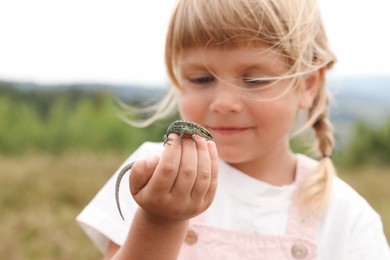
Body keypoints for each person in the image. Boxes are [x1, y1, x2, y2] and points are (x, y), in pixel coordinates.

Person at [77, 0, 390, 259]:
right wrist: (159, 220)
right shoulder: (154, 172)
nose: (224, 103)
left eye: (254, 80)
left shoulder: (347, 218)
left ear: (308, 84)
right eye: (202, 79)